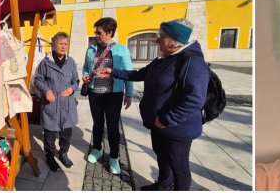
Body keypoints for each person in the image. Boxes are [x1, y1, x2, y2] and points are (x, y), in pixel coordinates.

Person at [108, 19, 210, 191]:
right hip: (158, 124)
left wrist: (166, 119)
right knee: (162, 156)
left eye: (160, 36)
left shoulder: (192, 62)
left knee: (179, 166)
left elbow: (194, 99)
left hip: (177, 127)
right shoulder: (164, 59)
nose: (156, 40)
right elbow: (140, 74)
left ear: (172, 40)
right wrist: (112, 72)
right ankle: (163, 185)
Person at [81, 17, 134, 175]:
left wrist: (129, 94)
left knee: (112, 127)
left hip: (113, 95)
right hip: (94, 93)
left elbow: (128, 73)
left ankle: (114, 157)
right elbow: (85, 67)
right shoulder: (91, 49)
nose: (96, 35)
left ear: (110, 32)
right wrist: (85, 75)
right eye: (96, 32)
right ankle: (97, 149)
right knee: (97, 123)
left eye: (99, 33)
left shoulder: (122, 50)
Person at [33, 32, 79, 172]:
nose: (63, 46)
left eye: (66, 44)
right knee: (50, 134)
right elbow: (37, 80)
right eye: (60, 43)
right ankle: (50, 155)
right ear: (54, 44)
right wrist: (46, 90)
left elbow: (76, 81)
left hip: (67, 104)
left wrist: (72, 89)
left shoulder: (70, 62)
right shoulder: (45, 62)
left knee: (67, 132)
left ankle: (63, 153)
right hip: (51, 104)